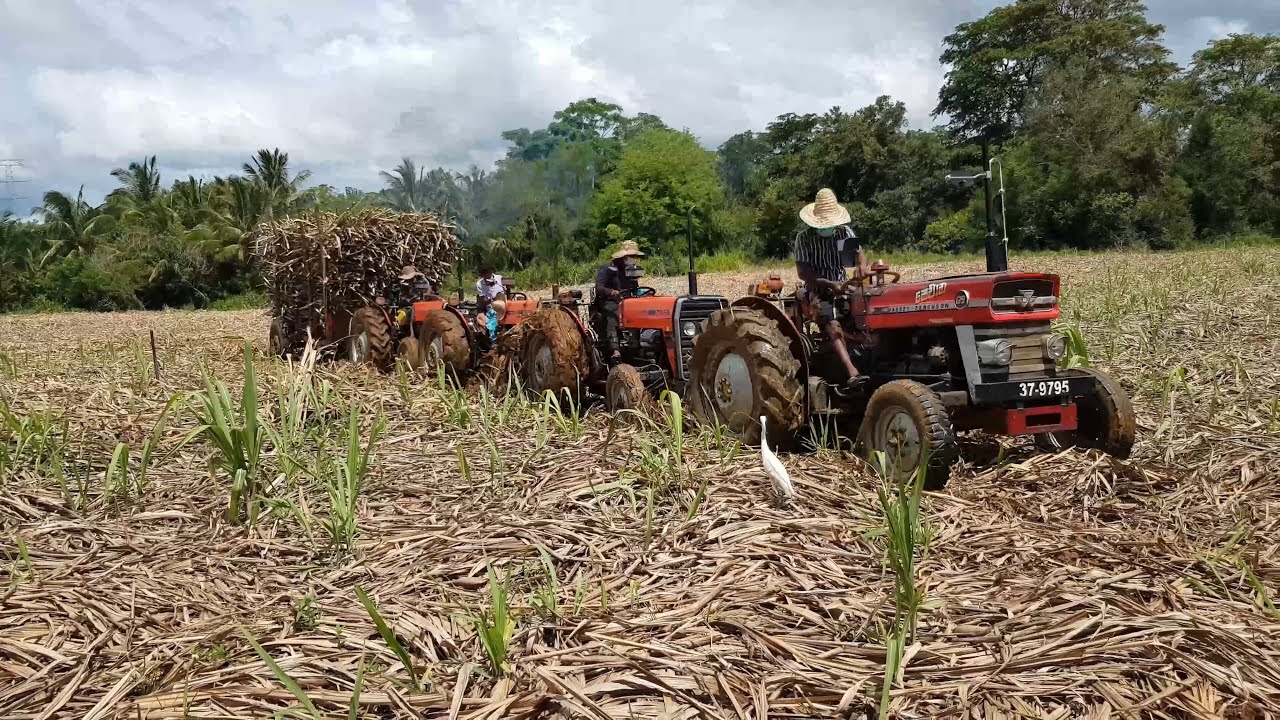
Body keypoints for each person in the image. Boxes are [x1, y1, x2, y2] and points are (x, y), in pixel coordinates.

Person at [794, 188, 868, 387]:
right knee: (831, 322)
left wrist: (861, 267)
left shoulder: (844, 232)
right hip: (818, 287)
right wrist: (827, 284)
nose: (827, 227)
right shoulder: (804, 238)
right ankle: (851, 371)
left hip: (843, 284)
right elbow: (803, 272)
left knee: (866, 309)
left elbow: (859, 254)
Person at [592, 240, 644, 360]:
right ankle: (615, 350)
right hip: (610, 302)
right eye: (630, 256)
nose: (632, 259)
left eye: (634, 257)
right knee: (614, 316)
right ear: (623, 256)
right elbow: (598, 287)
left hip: (628, 301)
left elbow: (634, 287)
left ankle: (639, 345)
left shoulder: (631, 270)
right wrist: (611, 292)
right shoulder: (607, 268)